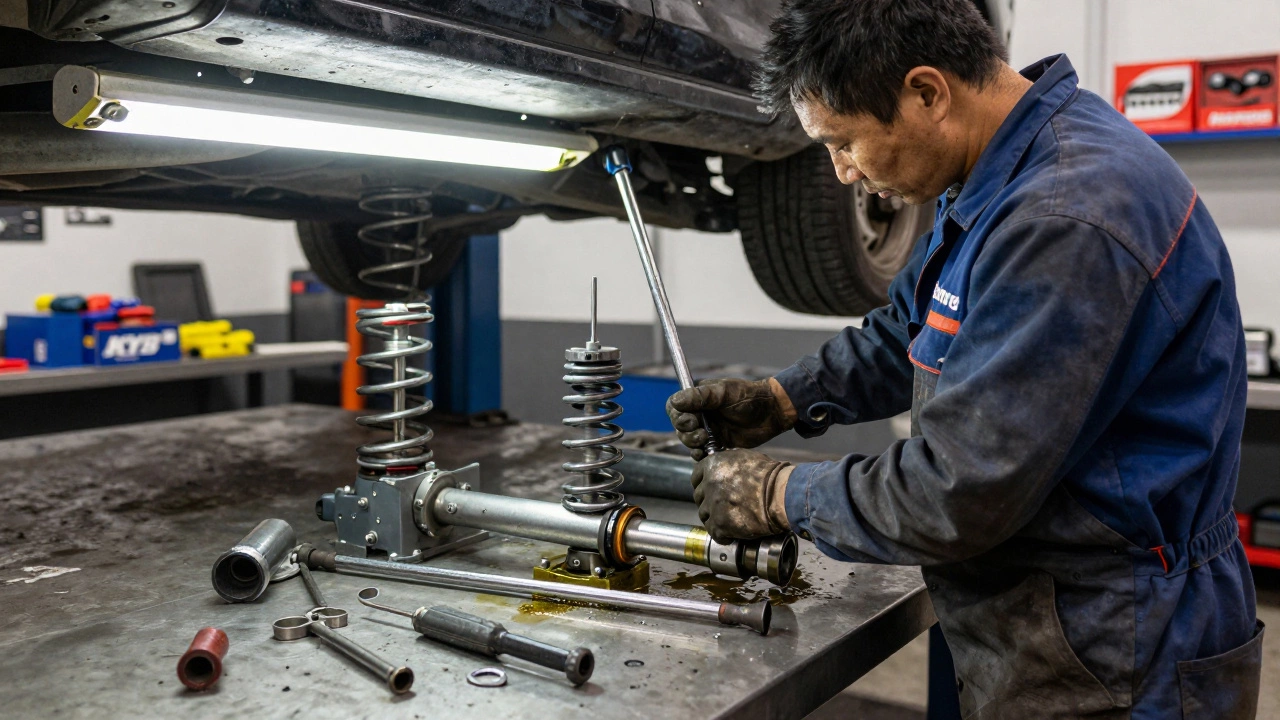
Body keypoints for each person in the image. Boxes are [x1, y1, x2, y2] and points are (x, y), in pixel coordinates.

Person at [666, 1, 1263, 717]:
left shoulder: (1065, 216)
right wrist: (783, 397)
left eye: (844, 141)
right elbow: (913, 329)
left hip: (1121, 642)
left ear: (926, 92)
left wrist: (777, 495)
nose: (843, 172)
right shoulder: (1000, 176)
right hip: (1054, 616)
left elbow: (957, 491)